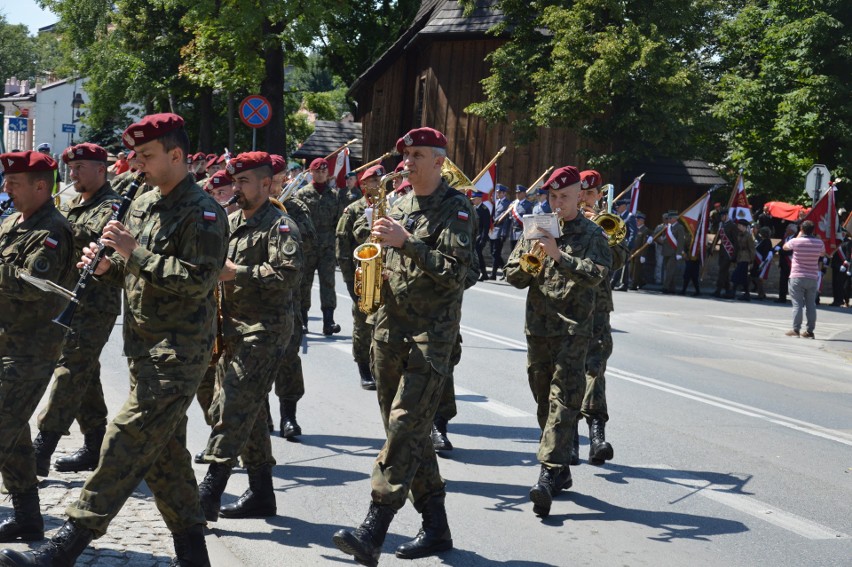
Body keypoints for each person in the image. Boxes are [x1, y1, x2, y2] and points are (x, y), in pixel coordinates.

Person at [0, 113, 228, 567]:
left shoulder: (203, 211)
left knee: (123, 438)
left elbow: (197, 281)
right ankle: (193, 554)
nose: (137, 164)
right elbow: (136, 271)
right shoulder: (143, 204)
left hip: (180, 353)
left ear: (177, 155)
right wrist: (110, 267)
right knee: (165, 458)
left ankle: (64, 547)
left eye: (146, 156)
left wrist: (132, 252)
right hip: (143, 349)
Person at [332, 127, 473, 565]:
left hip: (430, 338)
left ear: (439, 161)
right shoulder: (399, 204)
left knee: (405, 427)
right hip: (388, 332)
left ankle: (373, 528)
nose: (407, 162)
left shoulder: (458, 209)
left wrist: (407, 243)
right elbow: (386, 257)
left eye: (417, 155)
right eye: (406, 154)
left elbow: (456, 273)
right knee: (409, 436)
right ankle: (436, 527)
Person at [196, 152, 302, 523]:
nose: (236, 188)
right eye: (234, 181)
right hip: (231, 329)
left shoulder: (281, 225)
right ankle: (261, 493)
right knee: (251, 412)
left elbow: (288, 274)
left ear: (266, 184)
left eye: (243, 182)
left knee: (234, 405)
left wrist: (236, 273)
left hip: (265, 330)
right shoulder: (232, 220)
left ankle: (207, 493)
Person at [505, 166, 612, 518]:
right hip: (538, 328)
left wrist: (558, 256)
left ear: (579, 195)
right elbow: (513, 276)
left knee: (563, 402)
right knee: (542, 402)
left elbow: (597, 275)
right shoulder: (536, 226)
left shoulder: (594, 233)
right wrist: (529, 262)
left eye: (564, 196)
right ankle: (562, 467)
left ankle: (548, 474)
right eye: (552, 196)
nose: (557, 203)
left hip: (574, 330)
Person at [32, 143, 122, 479]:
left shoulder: (111, 207)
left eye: (81, 167)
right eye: (71, 168)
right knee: (86, 372)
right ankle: (96, 444)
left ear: (101, 169)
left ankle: (43, 446)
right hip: (66, 298)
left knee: (70, 370)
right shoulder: (71, 204)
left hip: (95, 304)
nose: (73, 174)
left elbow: (93, 241)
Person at [0, 151, 75, 543]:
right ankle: (28, 517)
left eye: (14, 183)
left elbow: (33, 283)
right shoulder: (14, 222)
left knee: (2, 427)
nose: (6, 188)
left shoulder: (54, 230)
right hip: (5, 340)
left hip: (30, 348)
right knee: (12, 434)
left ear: (40, 186)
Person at [574, 169, 624, 467]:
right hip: (564, 308)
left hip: (598, 307)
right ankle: (566, 441)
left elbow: (619, 261)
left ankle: (596, 435)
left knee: (595, 369)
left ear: (598, 197)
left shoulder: (608, 225)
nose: (583, 200)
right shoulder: (560, 219)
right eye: (580, 194)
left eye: (589, 195)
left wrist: (603, 234)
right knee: (566, 375)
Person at [335, 164, 385, 390]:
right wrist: (350, 284)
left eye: (381, 180)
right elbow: (344, 251)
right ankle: (364, 368)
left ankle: (382, 368)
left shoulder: (392, 206)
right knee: (363, 326)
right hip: (363, 277)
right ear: (363, 184)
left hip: (387, 276)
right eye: (374, 180)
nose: (378, 184)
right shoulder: (353, 210)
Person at [295, 157, 346, 336]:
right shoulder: (302, 194)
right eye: (317, 171)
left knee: (328, 282)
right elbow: (296, 220)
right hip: (307, 243)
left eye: (324, 171)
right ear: (311, 173)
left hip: (327, 245)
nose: (321, 174)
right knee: (304, 282)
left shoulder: (334, 196)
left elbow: (339, 222)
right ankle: (302, 320)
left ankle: (328, 321)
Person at [783, 220, 825, 338]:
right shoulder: (819, 243)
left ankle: (796, 329)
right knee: (811, 305)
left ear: (801, 229)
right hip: (812, 277)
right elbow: (822, 254)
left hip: (797, 276)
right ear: (813, 230)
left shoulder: (796, 241)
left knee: (797, 304)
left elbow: (785, 247)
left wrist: (798, 235)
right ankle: (810, 331)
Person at [611, 199, 637, 291]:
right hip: (616, 243)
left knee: (622, 263)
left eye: (618, 207)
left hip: (625, 244)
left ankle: (614, 282)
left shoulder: (630, 217)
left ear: (624, 207)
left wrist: (629, 245)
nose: (617, 208)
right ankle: (624, 284)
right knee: (621, 263)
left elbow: (633, 232)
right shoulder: (618, 216)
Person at [656, 211, 685, 294]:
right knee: (668, 270)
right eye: (668, 218)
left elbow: (680, 241)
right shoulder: (668, 227)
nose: (668, 220)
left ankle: (665, 287)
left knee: (669, 270)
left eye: (670, 218)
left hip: (673, 252)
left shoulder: (679, 227)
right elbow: (665, 238)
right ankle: (672, 288)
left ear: (675, 218)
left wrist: (679, 253)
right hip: (666, 251)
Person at [713, 209, 739, 298]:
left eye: (722, 216)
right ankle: (728, 290)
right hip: (722, 252)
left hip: (729, 252)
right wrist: (712, 247)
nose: (721, 218)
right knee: (725, 272)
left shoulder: (732, 226)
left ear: (726, 215)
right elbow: (717, 237)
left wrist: (734, 254)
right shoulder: (721, 225)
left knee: (722, 271)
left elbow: (736, 242)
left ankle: (718, 290)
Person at [489, 184, 511, 279]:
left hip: (500, 230)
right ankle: (504, 269)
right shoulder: (496, 202)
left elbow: (507, 220)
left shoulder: (507, 203)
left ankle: (493, 274)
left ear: (504, 193)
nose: (497, 194)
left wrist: (504, 233)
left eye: (499, 192)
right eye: (497, 192)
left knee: (496, 252)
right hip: (492, 230)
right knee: (492, 252)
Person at [731, 219, 755, 300]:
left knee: (736, 275)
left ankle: (733, 292)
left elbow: (752, 249)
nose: (738, 227)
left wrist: (752, 261)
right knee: (742, 277)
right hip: (740, 257)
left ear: (743, 226)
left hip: (746, 258)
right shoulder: (739, 234)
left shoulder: (748, 236)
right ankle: (746, 294)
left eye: (739, 225)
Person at [774, 223, 796, 303]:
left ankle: (795, 299)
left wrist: (780, 251)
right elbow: (779, 246)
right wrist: (774, 249)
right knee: (783, 281)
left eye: (787, 228)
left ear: (792, 230)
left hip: (791, 263)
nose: (786, 229)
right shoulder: (785, 238)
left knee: (793, 283)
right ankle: (782, 297)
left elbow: (790, 251)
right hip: (784, 263)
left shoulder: (795, 239)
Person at [472, 190, 491, 281]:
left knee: (479, 255)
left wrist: (483, 239)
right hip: (474, 236)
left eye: (474, 199)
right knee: (474, 255)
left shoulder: (484, 209)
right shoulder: (474, 208)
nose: (473, 201)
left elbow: (486, 226)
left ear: (479, 199)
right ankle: (480, 273)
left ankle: (483, 273)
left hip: (480, 237)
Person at [751, 226, 772, 300]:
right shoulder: (763, 240)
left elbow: (765, 252)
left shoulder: (767, 241)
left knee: (758, 278)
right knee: (755, 277)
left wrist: (762, 263)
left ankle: (761, 294)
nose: (760, 233)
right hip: (757, 262)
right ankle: (761, 293)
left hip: (761, 262)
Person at [629, 212, 650, 289]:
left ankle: (634, 285)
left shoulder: (645, 230)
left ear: (642, 221)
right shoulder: (635, 229)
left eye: (638, 220)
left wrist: (643, 255)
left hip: (639, 253)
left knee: (636, 271)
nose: (636, 222)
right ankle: (642, 282)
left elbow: (645, 244)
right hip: (632, 252)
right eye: (636, 220)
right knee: (631, 270)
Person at [510, 185, 532, 251]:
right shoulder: (513, 204)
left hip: (521, 232)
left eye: (519, 193)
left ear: (524, 193)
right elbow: (510, 217)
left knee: (520, 252)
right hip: (513, 232)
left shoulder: (528, 205)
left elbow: (529, 220)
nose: (517, 194)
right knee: (512, 251)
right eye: (516, 193)